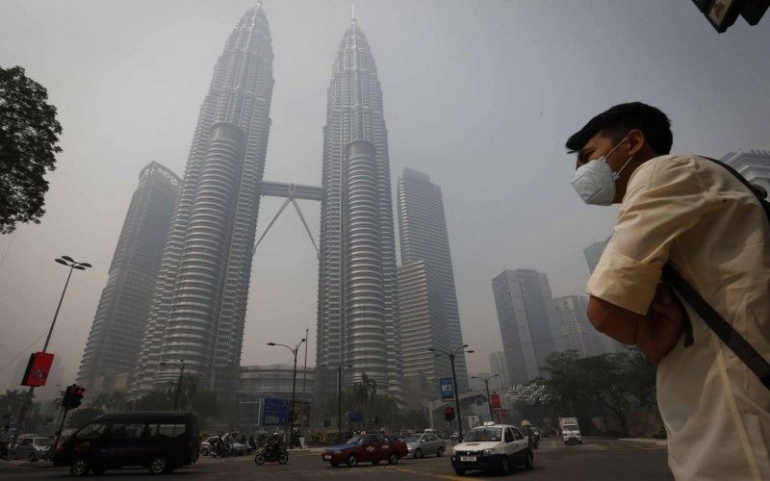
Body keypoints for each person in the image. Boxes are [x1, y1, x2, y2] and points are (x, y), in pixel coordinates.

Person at [566, 102, 770, 480]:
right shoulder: (702, 184)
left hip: (738, 431)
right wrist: (651, 336)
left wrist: (642, 333)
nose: (580, 173)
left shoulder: (660, 173)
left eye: (588, 156)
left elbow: (605, 312)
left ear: (633, 142)